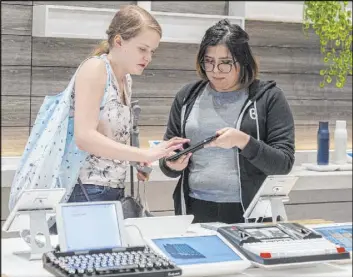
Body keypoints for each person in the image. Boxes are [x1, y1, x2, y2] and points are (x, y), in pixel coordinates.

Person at [159, 19, 295, 224]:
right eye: (209, 61)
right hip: (195, 207)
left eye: (225, 63)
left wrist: (244, 142)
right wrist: (172, 164)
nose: (215, 71)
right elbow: (167, 154)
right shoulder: (187, 97)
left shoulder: (269, 98)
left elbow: (283, 163)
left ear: (243, 61)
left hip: (251, 211)